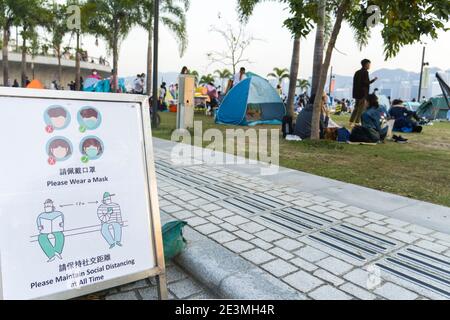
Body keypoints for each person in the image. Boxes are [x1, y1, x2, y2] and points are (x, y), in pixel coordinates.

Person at [350, 59, 378, 127]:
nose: (369, 66)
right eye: (369, 64)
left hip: (356, 93)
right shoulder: (365, 72)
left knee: (356, 108)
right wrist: (373, 80)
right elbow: (366, 83)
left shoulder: (357, 72)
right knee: (360, 109)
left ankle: (351, 121)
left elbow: (355, 83)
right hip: (363, 93)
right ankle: (357, 122)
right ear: (365, 64)